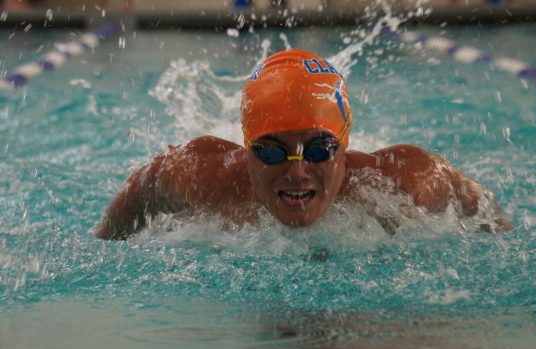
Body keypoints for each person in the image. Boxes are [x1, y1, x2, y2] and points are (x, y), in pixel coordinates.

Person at [94, 49, 510, 240]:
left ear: (344, 148)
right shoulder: (204, 177)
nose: (295, 170)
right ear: (246, 149)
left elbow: (473, 199)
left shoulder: (402, 184)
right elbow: (146, 182)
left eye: (318, 150)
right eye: (271, 150)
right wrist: (103, 244)